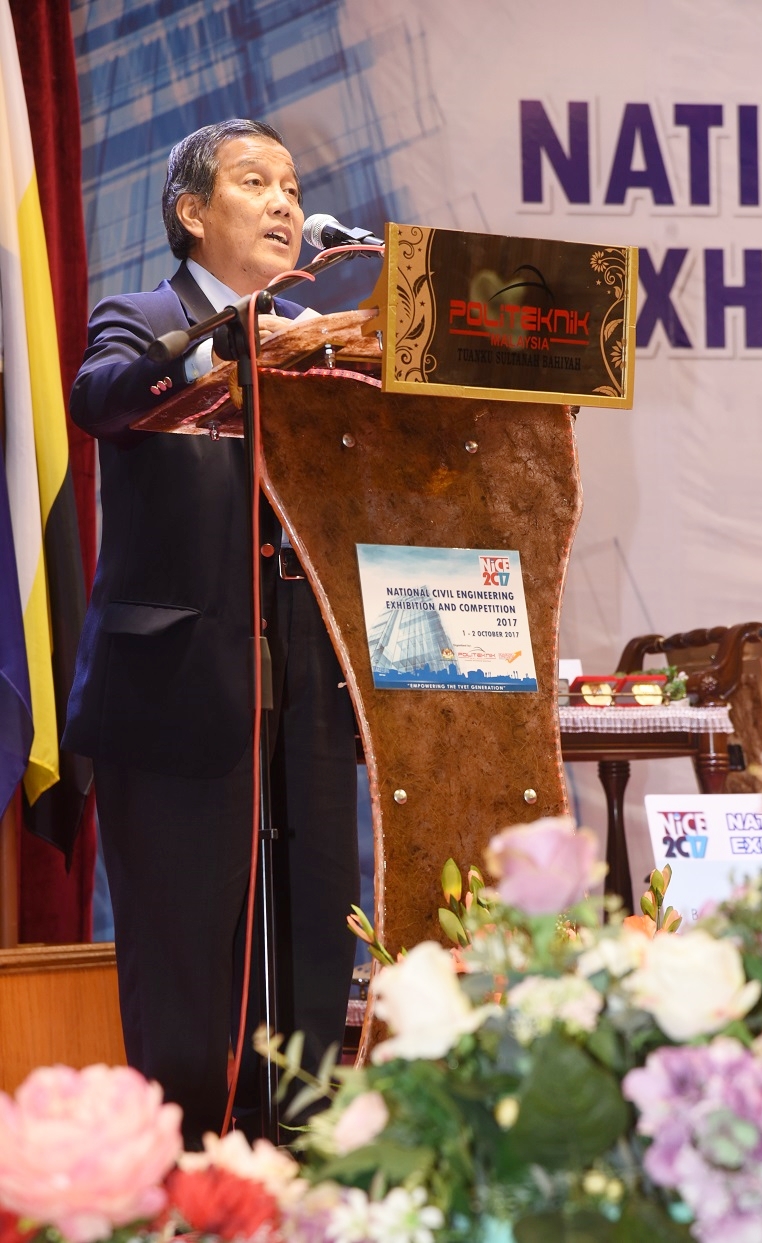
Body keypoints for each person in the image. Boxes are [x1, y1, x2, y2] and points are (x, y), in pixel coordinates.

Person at [64, 119, 360, 1149]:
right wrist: (225, 346)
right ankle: (188, 1178)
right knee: (185, 972)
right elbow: (100, 399)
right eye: (255, 182)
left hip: (309, 687)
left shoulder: (322, 340)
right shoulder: (142, 318)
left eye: (293, 186)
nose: (284, 202)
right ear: (192, 213)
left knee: (316, 947)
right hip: (176, 700)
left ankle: (304, 1162)